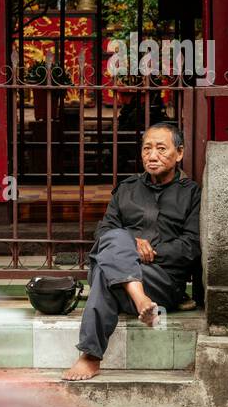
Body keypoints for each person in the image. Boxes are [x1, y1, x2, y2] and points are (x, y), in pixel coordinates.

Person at [63, 121, 201, 381]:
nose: (152, 155)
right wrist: (132, 244)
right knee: (115, 236)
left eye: (161, 148)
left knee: (105, 273)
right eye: (147, 148)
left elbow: (191, 245)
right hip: (137, 286)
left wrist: (151, 252)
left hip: (161, 280)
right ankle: (140, 301)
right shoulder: (126, 189)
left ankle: (90, 356)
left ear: (179, 153)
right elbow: (103, 233)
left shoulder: (191, 194)